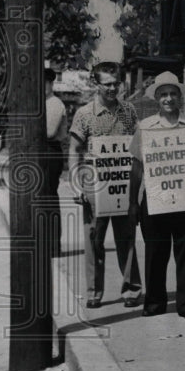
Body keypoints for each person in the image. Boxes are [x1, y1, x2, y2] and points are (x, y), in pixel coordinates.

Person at [128, 72, 185, 319]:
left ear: (180, 97)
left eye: (173, 94)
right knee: (155, 253)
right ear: (156, 99)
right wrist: (133, 203)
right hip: (155, 199)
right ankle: (154, 303)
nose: (168, 99)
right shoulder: (145, 126)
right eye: (163, 94)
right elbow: (137, 166)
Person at [68, 62, 142, 309]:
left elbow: (138, 147)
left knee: (126, 239)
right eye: (107, 84)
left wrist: (138, 186)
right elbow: (74, 150)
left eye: (116, 84)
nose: (112, 88)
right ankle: (94, 292)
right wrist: (76, 185)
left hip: (122, 184)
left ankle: (131, 290)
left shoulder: (129, 111)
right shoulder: (84, 114)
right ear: (96, 84)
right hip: (94, 186)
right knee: (94, 240)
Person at [44, 67, 68, 257]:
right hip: (42, 153)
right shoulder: (42, 103)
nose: (41, 87)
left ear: (51, 83)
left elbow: (50, 132)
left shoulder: (54, 103)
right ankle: (45, 243)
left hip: (51, 153)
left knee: (49, 197)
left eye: (44, 83)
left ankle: (53, 246)